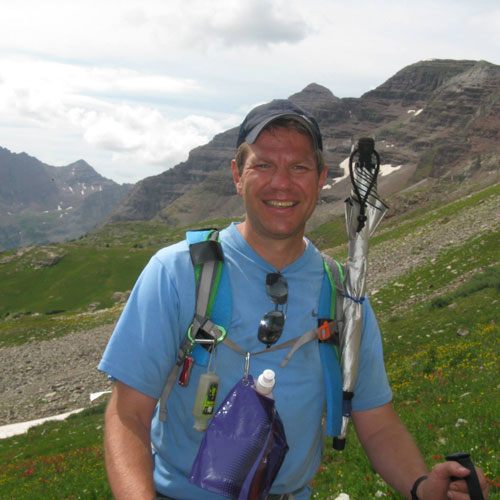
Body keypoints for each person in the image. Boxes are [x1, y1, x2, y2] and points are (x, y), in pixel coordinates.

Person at [98, 99, 489, 500]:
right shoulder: (177, 271)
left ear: (320, 179)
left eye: (299, 168)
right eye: (263, 165)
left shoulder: (344, 294)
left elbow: (377, 420)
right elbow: (128, 414)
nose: (281, 183)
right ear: (237, 176)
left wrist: (422, 488)